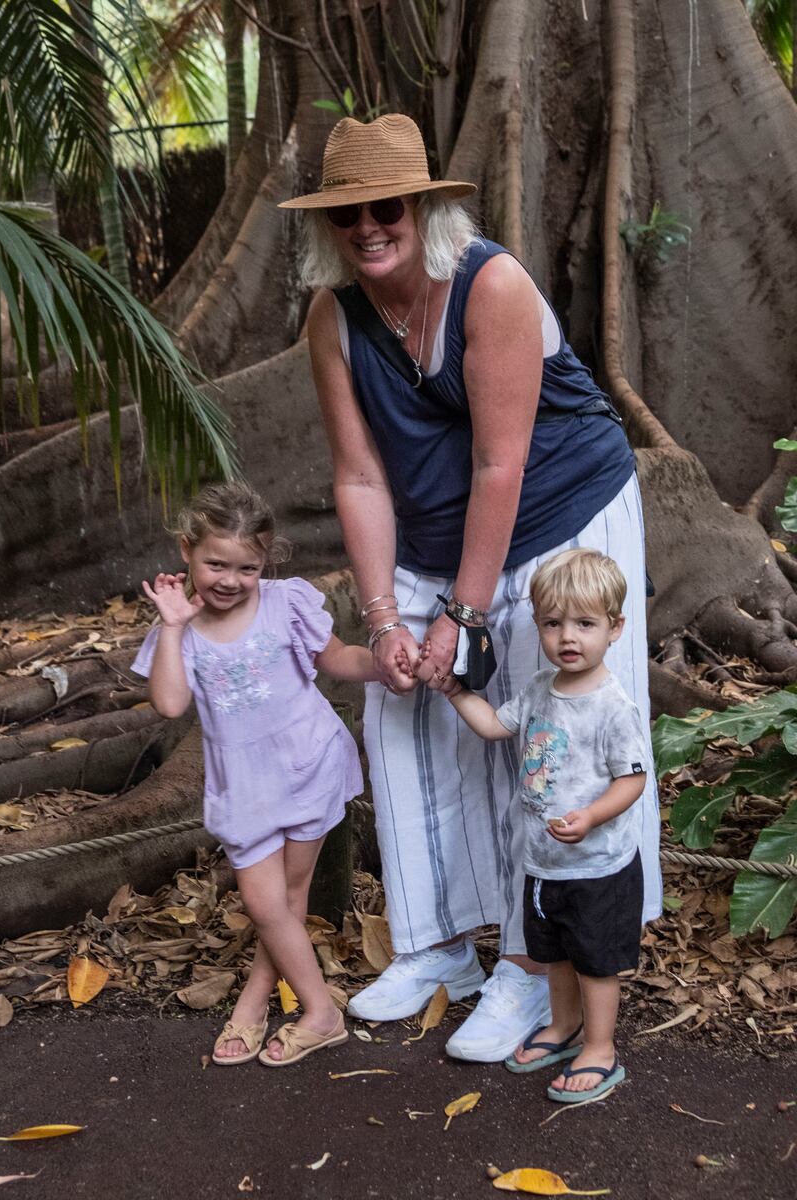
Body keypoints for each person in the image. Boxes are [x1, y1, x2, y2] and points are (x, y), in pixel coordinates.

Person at [279, 113, 662, 1062]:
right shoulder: (333, 317)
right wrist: (386, 619)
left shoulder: (491, 284)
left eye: (387, 207)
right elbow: (359, 476)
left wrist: (463, 612)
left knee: (550, 732)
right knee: (403, 710)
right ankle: (435, 945)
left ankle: (537, 971)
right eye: (348, 215)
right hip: (431, 531)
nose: (369, 227)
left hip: (560, 516)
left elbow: (503, 461)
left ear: (422, 208)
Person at [131, 481, 377, 1068]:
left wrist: (386, 664)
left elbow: (335, 658)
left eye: (247, 567)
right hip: (243, 786)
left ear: (265, 563)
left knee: (286, 898)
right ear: (187, 550)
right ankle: (315, 1009)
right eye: (216, 562)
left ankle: (269, 1003)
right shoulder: (181, 629)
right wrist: (171, 624)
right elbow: (168, 704)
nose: (230, 579)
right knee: (267, 904)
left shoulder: (283, 602)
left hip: (309, 763)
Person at [445, 548, 646, 1102]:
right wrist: (458, 693)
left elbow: (632, 781)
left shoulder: (612, 706)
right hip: (543, 862)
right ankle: (563, 1027)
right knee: (554, 955)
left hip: (597, 866)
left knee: (595, 964)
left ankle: (600, 1048)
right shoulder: (538, 688)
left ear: (615, 628)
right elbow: (493, 726)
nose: (568, 637)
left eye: (585, 623)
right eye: (554, 623)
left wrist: (592, 816)